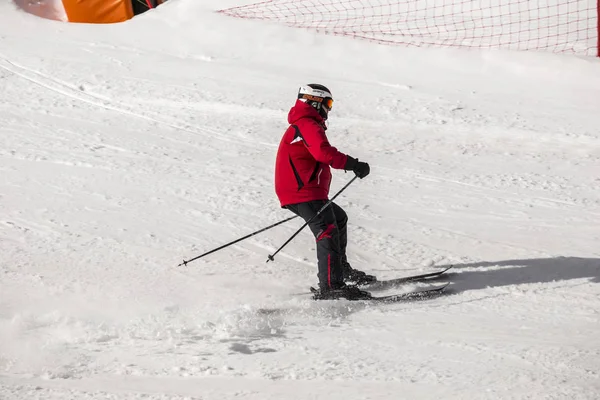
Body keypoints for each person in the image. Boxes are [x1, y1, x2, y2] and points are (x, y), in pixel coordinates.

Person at [274, 83, 376, 300]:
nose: (329, 109)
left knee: (338, 219)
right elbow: (323, 152)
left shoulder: (305, 124)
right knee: (327, 229)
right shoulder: (306, 124)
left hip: (305, 192)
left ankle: (340, 272)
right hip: (303, 192)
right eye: (327, 103)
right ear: (314, 102)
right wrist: (353, 164)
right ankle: (331, 285)